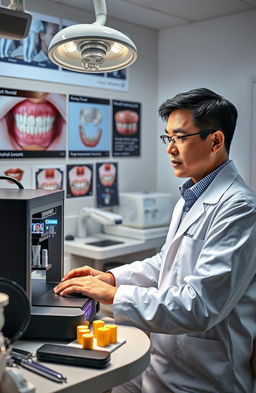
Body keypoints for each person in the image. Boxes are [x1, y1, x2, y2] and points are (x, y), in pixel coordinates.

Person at [54, 88, 256, 393]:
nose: (170, 149)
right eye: (168, 138)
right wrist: (109, 277)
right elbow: (165, 263)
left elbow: (200, 306)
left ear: (215, 141)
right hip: (165, 362)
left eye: (180, 138)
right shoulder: (191, 194)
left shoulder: (240, 208)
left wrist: (114, 295)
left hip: (206, 377)